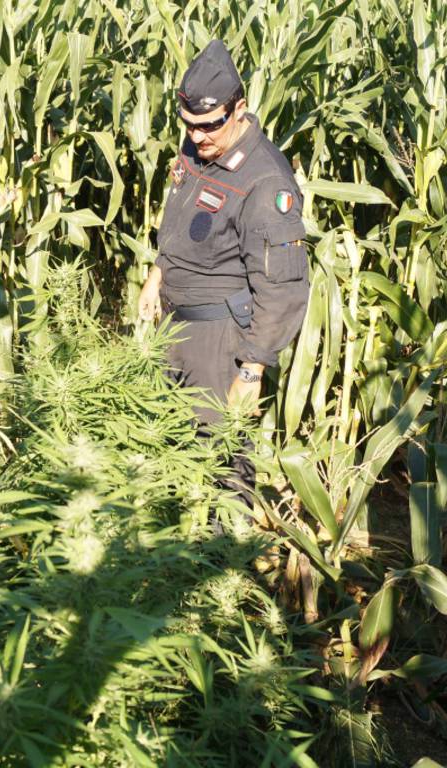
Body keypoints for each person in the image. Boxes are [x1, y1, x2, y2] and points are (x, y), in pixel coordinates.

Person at [138, 40, 310, 511]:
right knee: (173, 449)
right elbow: (180, 216)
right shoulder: (198, 145)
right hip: (175, 326)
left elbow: (284, 287)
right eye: (189, 125)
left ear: (240, 109)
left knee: (220, 461)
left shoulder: (266, 180)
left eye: (211, 125)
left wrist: (251, 370)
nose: (198, 137)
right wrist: (158, 272)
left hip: (220, 341)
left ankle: (222, 563)